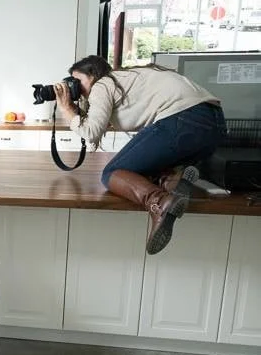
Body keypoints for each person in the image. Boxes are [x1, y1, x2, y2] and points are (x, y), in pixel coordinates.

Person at [54, 55, 226, 255]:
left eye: (78, 81)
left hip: (182, 120)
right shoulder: (126, 79)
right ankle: (174, 181)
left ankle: (160, 202)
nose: (76, 88)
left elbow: (91, 133)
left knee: (112, 173)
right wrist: (78, 109)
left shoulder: (102, 84)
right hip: (214, 125)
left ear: (93, 75)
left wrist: (66, 109)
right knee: (146, 171)